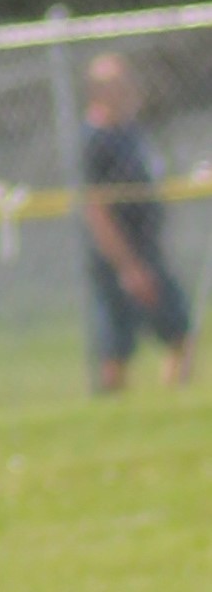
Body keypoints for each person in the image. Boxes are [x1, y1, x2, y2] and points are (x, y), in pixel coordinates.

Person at [80, 52, 195, 395]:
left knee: (179, 330)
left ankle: (173, 402)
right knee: (117, 345)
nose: (129, 89)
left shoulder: (131, 131)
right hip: (118, 254)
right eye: (119, 84)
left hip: (147, 249)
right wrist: (128, 266)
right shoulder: (95, 139)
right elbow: (96, 209)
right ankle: (112, 406)